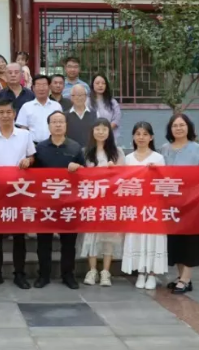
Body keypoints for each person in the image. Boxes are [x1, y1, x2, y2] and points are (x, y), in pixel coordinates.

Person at [0, 99, 35, 289]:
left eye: (8, 112)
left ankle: (19, 274)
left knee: (19, 236)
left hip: (19, 190)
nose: (5, 116)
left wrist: (28, 161)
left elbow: (31, 156)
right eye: (1, 112)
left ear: (14, 114)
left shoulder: (25, 135)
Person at [33, 111, 85, 290]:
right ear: (48, 126)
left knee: (68, 243)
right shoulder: (40, 148)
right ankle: (43, 275)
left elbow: (85, 174)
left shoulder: (75, 147)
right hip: (45, 203)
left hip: (69, 203)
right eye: (54, 122)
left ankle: (68, 275)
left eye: (61, 122)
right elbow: (32, 175)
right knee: (43, 242)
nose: (57, 125)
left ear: (66, 125)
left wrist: (79, 167)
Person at [161, 113, 199, 294]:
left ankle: (186, 278)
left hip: (193, 203)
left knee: (191, 241)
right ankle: (181, 276)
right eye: (175, 125)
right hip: (171, 204)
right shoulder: (164, 149)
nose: (179, 128)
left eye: (182, 125)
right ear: (170, 129)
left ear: (188, 127)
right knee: (176, 242)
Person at [121, 121, 167, 290]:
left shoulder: (158, 158)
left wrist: (157, 172)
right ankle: (140, 272)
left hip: (153, 205)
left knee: (153, 239)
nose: (141, 137)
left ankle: (152, 274)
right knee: (137, 238)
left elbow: (164, 183)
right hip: (135, 206)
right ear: (133, 137)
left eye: (145, 134)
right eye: (138, 134)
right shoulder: (128, 158)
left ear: (151, 137)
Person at [80, 118, 125, 287]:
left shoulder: (118, 152)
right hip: (91, 200)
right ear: (92, 132)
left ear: (109, 132)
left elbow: (125, 176)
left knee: (108, 236)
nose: (100, 132)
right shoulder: (85, 152)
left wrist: (115, 170)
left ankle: (106, 272)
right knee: (91, 235)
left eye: (104, 129)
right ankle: (92, 270)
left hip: (110, 200)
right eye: (97, 129)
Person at [15, 75, 62, 144]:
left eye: (44, 85)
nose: (41, 89)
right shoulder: (26, 107)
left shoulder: (56, 106)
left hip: (53, 145)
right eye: (38, 85)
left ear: (49, 87)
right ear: (33, 88)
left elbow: (61, 126)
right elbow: (22, 129)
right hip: (33, 145)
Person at [88, 73, 122, 141]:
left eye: (103, 83)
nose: (100, 85)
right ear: (92, 85)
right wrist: (98, 131)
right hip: (92, 137)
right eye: (97, 83)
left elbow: (117, 119)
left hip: (110, 136)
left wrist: (105, 131)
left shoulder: (112, 102)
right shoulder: (87, 101)